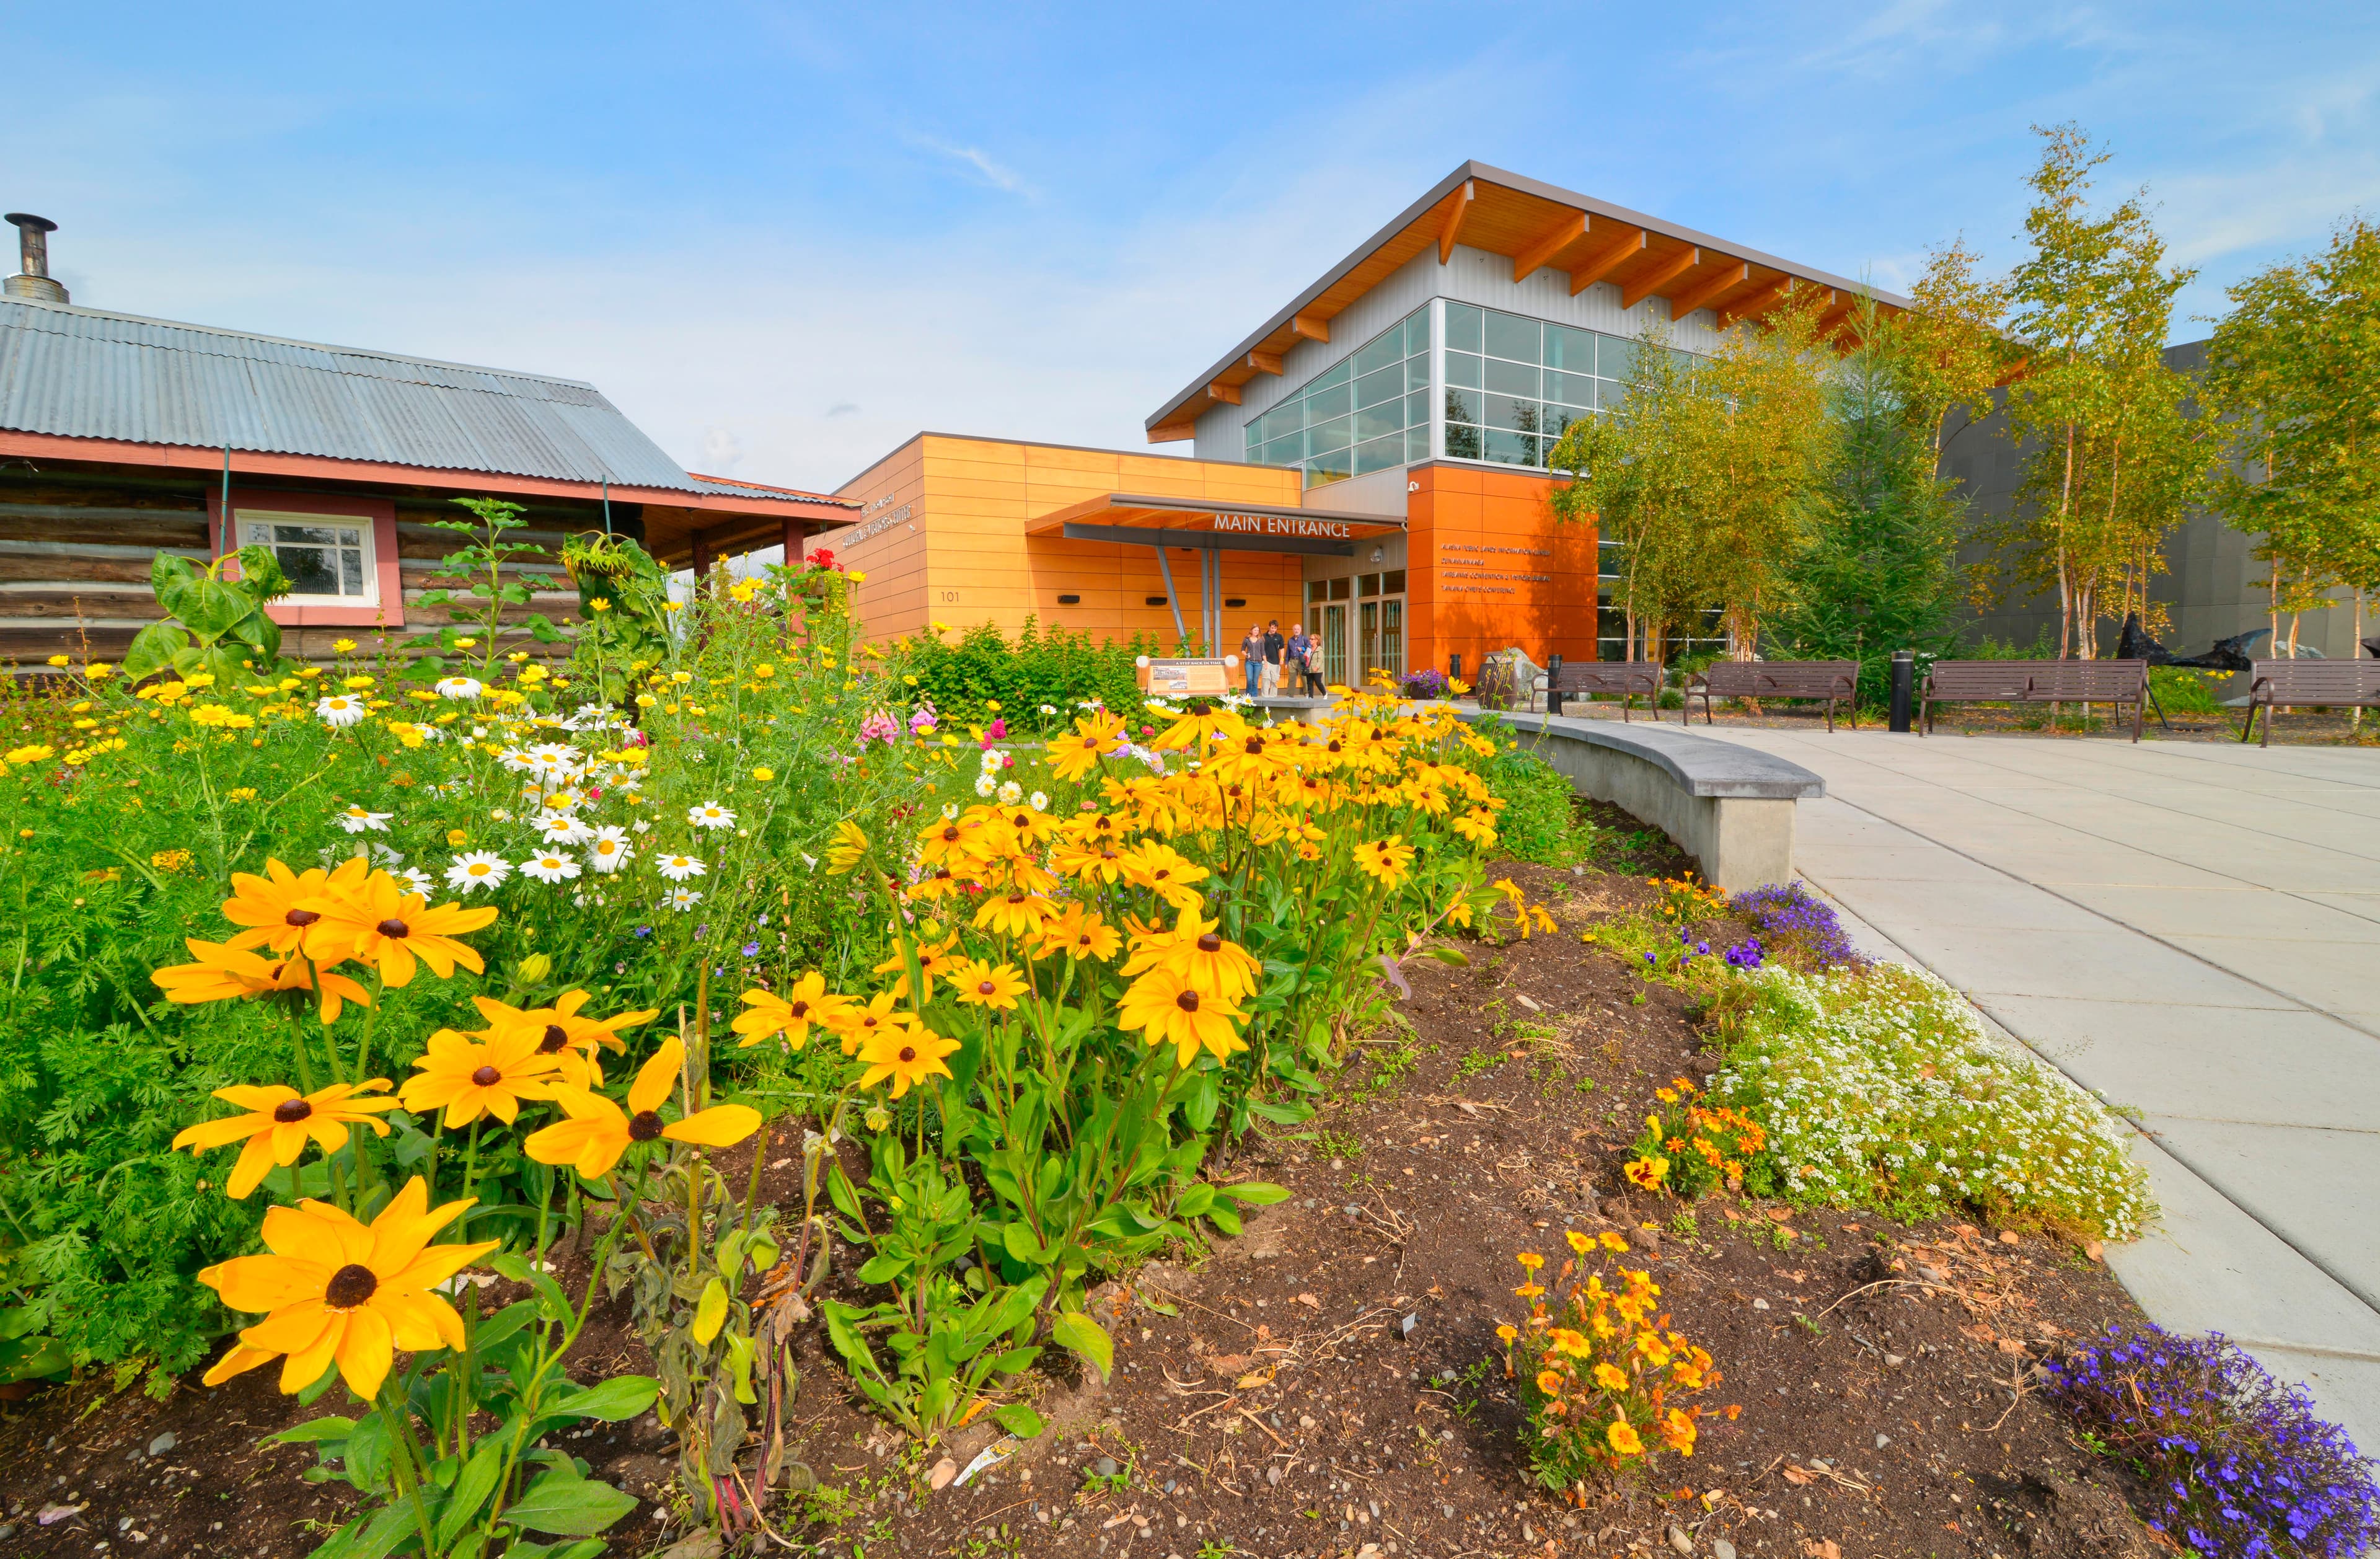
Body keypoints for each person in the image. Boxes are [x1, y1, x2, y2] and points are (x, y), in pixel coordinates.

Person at [1239, 623, 1265, 697]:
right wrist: (1246, 655)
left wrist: (1265, 662)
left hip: (1258, 663)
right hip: (1249, 662)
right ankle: (1248, 695)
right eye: (1255, 630)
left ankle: (1254, 696)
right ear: (1251, 630)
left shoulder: (1261, 640)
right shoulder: (1247, 639)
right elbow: (1242, 650)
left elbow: (1263, 652)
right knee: (1250, 679)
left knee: (1255, 681)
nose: (1256, 632)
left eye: (1257, 630)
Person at [1261, 619, 1285, 696]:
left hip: (1276, 661)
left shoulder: (1279, 637)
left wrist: (1282, 658)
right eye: (1272, 628)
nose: (1273, 630)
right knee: (1266, 678)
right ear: (1269, 627)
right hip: (1265, 661)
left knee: (1274, 680)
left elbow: (1282, 648)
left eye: (1275, 628)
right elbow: (1261, 648)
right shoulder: (1263, 636)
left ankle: (1273, 697)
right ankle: (1265, 697)